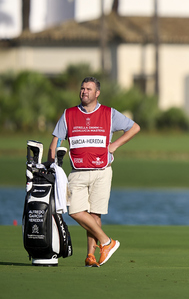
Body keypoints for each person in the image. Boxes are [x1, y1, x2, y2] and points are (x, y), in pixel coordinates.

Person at [49, 77, 140, 267]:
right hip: (77, 172)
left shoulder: (109, 113)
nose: (84, 92)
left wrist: (114, 145)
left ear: (97, 93)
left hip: (102, 170)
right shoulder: (69, 114)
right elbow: (56, 142)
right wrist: (52, 165)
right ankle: (107, 242)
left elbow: (134, 128)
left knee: (95, 214)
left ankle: (91, 256)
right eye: (82, 88)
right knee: (74, 210)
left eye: (89, 89)